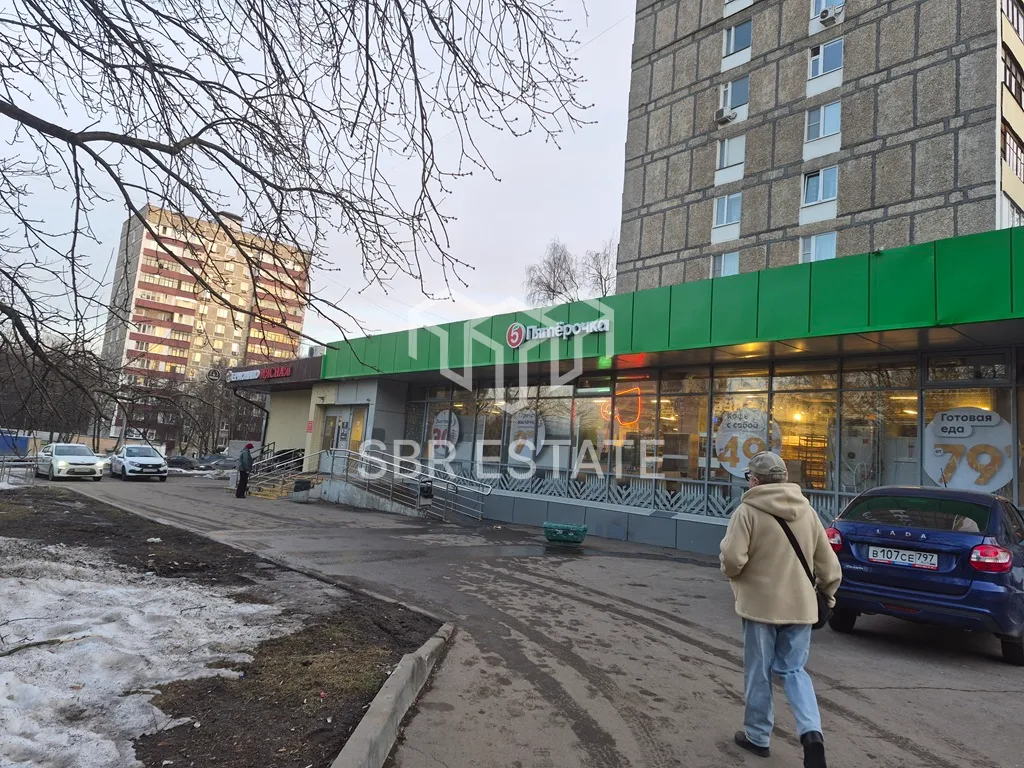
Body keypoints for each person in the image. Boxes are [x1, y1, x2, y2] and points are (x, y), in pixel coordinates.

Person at [719, 451, 842, 768]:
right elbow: (829, 567)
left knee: (759, 672)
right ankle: (811, 733)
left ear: (755, 480)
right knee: (794, 671)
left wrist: (734, 574)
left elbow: (732, 560)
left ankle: (757, 737)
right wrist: (827, 598)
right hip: (800, 606)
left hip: (760, 607)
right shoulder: (807, 511)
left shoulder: (747, 511)